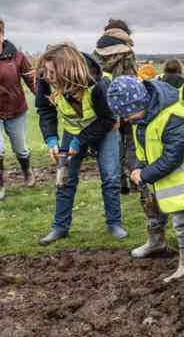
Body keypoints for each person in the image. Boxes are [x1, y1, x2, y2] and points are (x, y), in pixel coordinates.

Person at [107, 75, 184, 282]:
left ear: (140, 102)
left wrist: (145, 174)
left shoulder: (173, 116)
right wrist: (139, 166)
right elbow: (142, 149)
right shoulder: (143, 117)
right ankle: (156, 243)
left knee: (182, 221)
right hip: (162, 174)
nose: (126, 119)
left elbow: (173, 157)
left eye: (127, 113)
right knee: (153, 209)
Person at [36, 43, 127, 244]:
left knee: (110, 177)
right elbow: (45, 110)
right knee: (64, 177)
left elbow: (108, 120)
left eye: (53, 72)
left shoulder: (98, 85)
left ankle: (114, 223)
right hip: (72, 130)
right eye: (47, 71)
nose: (48, 75)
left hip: (104, 129)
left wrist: (80, 141)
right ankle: (60, 227)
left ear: (67, 70)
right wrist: (51, 139)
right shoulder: (44, 78)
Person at [93, 19, 138, 195]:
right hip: (126, 103)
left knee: (114, 143)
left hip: (104, 104)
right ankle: (136, 180)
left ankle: (120, 184)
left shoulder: (96, 52)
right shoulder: (127, 52)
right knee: (132, 143)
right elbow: (131, 81)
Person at [0, 18, 36, 200]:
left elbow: (31, 79)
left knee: (20, 148)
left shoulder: (17, 56)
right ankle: (0, 185)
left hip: (16, 109)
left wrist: (43, 97)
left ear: (2, 35)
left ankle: (27, 170)